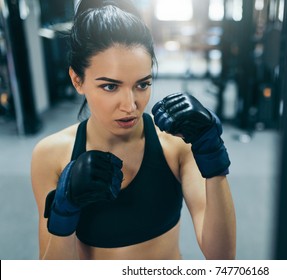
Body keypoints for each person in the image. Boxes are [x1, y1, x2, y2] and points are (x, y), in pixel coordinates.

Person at [31, 0, 236, 260]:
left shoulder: (175, 145)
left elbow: (223, 260)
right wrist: (64, 212)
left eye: (142, 85)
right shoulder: (51, 156)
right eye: (110, 87)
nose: (130, 106)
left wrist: (213, 155)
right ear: (77, 80)